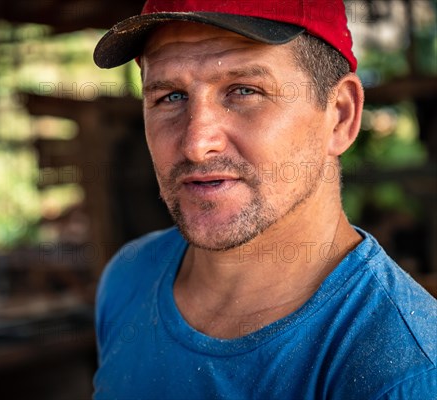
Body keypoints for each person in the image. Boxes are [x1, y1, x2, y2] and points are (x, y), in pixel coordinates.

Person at [91, 0, 437, 398]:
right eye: (170, 96)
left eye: (244, 91)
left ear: (340, 116)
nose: (196, 143)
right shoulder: (128, 278)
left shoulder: (402, 373)